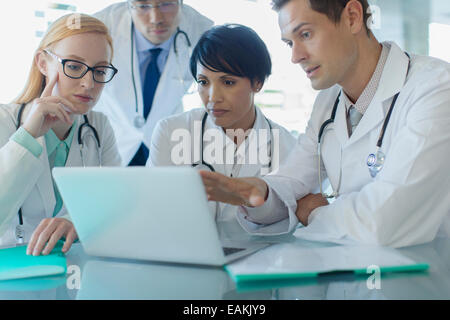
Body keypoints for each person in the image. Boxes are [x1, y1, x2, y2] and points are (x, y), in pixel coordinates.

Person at [200, 0, 450, 247]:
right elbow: (292, 181)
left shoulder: (436, 89)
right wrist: (255, 192)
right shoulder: (328, 102)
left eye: (306, 34)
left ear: (352, 17)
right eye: (289, 43)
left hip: (427, 276)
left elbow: (386, 222)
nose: (295, 57)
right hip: (356, 275)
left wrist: (314, 213)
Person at [147, 24, 296, 222]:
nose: (213, 97)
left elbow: (287, 217)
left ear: (257, 82)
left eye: (228, 82)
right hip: (187, 250)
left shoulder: (288, 148)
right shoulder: (170, 131)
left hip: (263, 251)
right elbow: (154, 210)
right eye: (203, 82)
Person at [0, 14, 121, 254]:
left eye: (100, 70)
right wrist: (28, 134)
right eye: (74, 66)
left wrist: (76, 220)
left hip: (72, 270)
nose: (89, 83)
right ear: (43, 63)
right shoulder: (5, 121)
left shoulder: (99, 126)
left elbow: (115, 202)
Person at [93, 0, 213, 166]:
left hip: (165, 141)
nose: (156, 18)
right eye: (143, 6)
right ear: (129, 5)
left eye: (166, 4)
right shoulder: (102, 25)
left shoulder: (201, 30)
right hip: (112, 140)